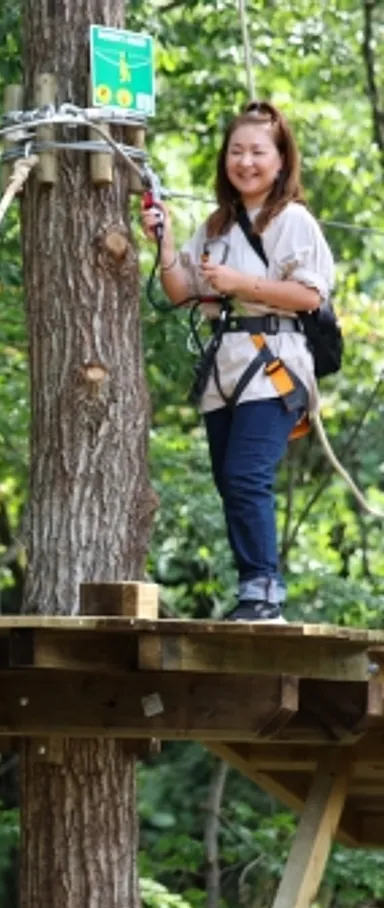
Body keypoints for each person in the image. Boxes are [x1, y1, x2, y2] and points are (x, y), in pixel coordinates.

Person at [143, 100, 335, 623]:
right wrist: (163, 242)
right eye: (236, 151)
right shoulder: (217, 225)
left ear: (279, 161)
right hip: (225, 365)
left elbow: (310, 296)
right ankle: (253, 587)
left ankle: (264, 591)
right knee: (230, 479)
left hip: (274, 360)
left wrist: (240, 284)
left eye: (257, 152)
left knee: (247, 476)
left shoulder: (293, 221)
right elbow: (182, 290)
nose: (245, 162)